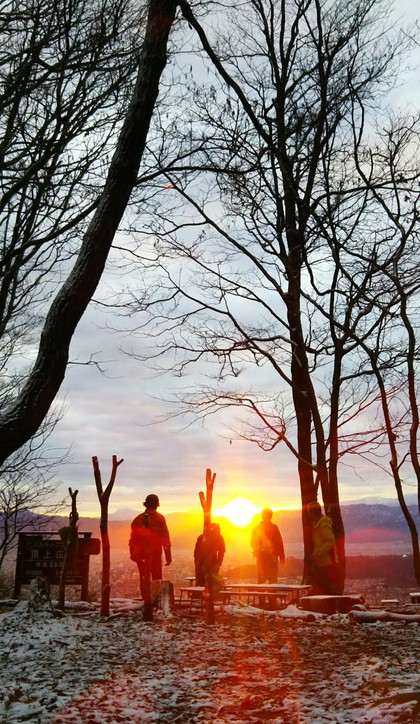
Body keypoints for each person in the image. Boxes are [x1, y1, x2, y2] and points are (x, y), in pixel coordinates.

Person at [129, 494, 172, 621]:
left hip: (141, 554)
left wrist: (133, 553)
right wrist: (168, 555)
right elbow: (165, 537)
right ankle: (155, 604)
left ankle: (146, 603)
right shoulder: (160, 519)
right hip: (155, 552)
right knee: (157, 578)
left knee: (144, 578)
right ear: (157, 504)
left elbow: (133, 538)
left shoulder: (137, 519)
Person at [306, 500, 339, 595]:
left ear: (313, 513)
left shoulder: (323, 525)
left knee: (326, 586)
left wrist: (319, 552)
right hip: (322, 561)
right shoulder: (318, 524)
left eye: (309, 512)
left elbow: (330, 540)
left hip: (326, 561)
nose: (309, 515)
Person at [194, 523, 225, 592]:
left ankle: (211, 596)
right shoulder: (202, 538)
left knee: (211, 581)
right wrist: (199, 566)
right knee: (203, 581)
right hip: (203, 563)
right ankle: (205, 596)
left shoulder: (219, 538)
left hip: (212, 563)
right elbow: (197, 553)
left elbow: (221, 552)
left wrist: (218, 564)